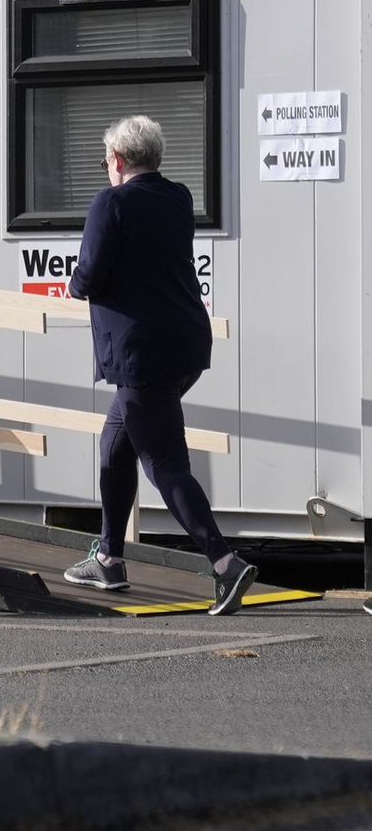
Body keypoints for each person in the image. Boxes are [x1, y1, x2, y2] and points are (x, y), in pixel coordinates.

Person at [61, 115, 257, 616]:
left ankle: (225, 563)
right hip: (185, 343)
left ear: (117, 159)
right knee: (114, 448)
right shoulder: (179, 197)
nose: (106, 168)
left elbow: (90, 274)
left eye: (106, 160)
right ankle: (108, 558)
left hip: (140, 353)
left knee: (165, 463)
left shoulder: (112, 202)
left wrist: (74, 285)